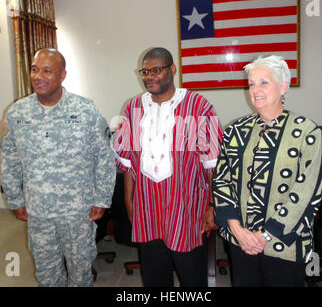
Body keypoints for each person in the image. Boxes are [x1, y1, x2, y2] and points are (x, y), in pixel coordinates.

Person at [1, 48, 116, 287]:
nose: (38, 76)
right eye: (34, 69)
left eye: (47, 71)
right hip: (38, 211)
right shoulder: (17, 113)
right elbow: (8, 159)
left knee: (80, 271)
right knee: (47, 273)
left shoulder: (85, 110)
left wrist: (102, 199)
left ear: (62, 76)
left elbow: (104, 158)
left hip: (78, 211)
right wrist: (15, 199)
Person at [113, 47, 223, 287]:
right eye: (145, 71)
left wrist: (212, 206)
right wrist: (130, 206)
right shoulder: (133, 108)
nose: (149, 76)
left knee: (192, 278)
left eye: (156, 70)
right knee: (154, 278)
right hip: (148, 212)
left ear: (172, 70)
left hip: (186, 212)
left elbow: (213, 165)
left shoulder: (198, 106)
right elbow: (129, 164)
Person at [212, 55, 322, 287]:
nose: (255, 90)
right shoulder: (235, 130)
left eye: (264, 82)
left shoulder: (306, 131)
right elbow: (221, 180)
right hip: (240, 240)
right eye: (252, 83)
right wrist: (239, 231)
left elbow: (308, 191)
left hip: (285, 244)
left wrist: (264, 236)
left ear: (283, 86)